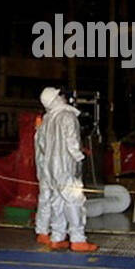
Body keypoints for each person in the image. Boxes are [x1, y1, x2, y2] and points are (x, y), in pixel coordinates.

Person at [33, 86, 97, 252]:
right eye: (59, 95)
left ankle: (57, 237)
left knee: (57, 201)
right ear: (55, 99)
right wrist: (80, 157)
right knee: (74, 201)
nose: (62, 96)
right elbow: (72, 142)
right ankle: (78, 239)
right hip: (65, 166)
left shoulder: (47, 119)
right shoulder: (67, 116)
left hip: (49, 167)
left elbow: (41, 144)